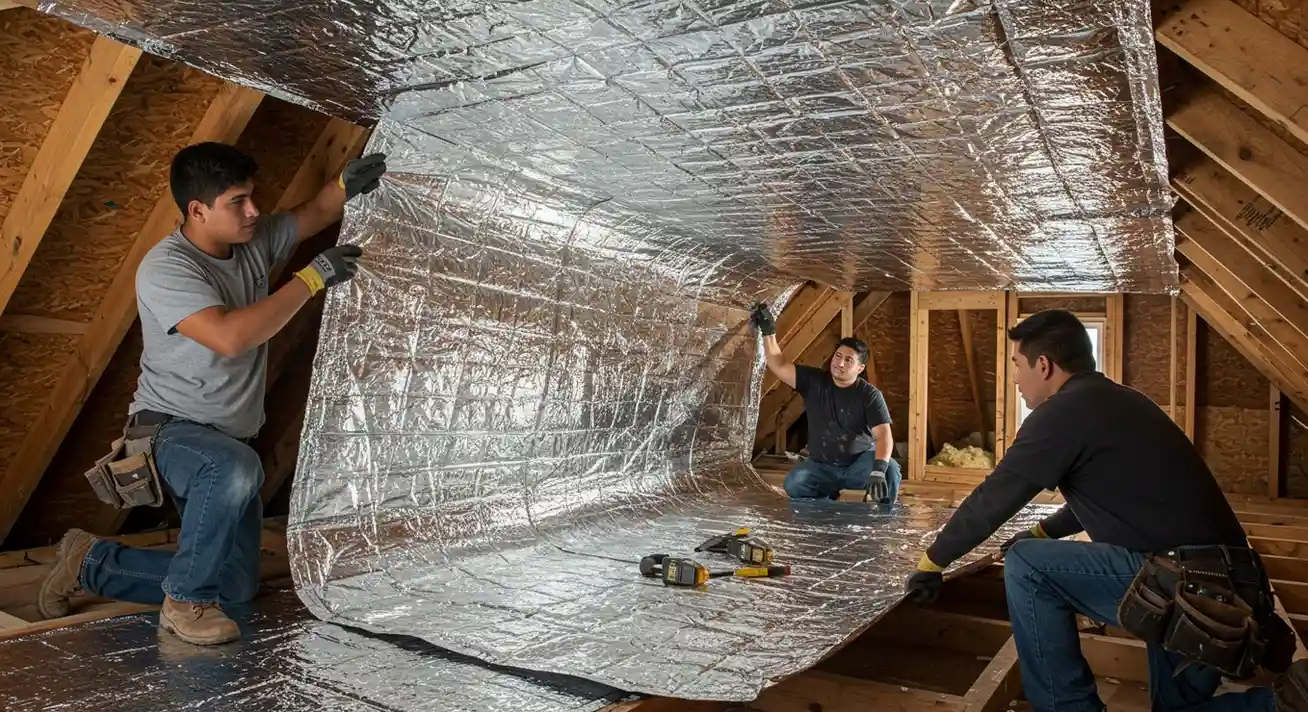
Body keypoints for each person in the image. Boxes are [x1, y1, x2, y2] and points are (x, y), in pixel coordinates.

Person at [35, 141, 387, 646]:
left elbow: (314, 212)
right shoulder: (167, 268)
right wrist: (313, 278)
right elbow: (229, 336)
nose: (254, 211)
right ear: (198, 210)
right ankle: (185, 604)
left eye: (251, 197)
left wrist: (344, 186)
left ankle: (89, 563)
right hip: (169, 431)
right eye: (238, 202)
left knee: (237, 588)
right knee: (234, 469)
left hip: (229, 440)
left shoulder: (251, 242)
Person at [903, 308, 1308, 712]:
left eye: (1016, 364)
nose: (1014, 378)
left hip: (1182, 581)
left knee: (1028, 565)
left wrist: (932, 562)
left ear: (1043, 365)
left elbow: (994, 498)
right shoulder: (1120, 401)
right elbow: (1107, 498)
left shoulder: (1063, 413)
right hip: (1229, 585)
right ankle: (1282, 704)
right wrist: (1042, 532)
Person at [749, 302, 900, 505]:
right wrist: (769, 331)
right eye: (838, 356)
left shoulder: (869, 395)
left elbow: (883, 435)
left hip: (856, 465)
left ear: (860, 368)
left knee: (890, 470)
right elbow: (778, 364)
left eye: (848, 360)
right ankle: (826, 503)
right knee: (795, 484)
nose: (839, 363)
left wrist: (878, 471)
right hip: (822, 466)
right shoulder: (814, 381)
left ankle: (881, 513)